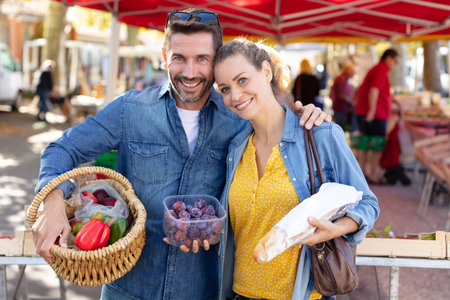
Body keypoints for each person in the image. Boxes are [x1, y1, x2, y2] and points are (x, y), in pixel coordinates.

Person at [31, 8, 331, 300]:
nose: (190, 72)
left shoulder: (239, 119)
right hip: (129, 288)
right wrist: (53, 198)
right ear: (164, 58)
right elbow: (62, 148)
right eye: (179, 58)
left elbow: (277, 122)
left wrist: (308, 116)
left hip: (203, 289)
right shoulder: (130, 111)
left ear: (217, 62)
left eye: (202, 59)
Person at [213, 38, 379, 300]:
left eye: (242, 80)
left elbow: (367, 203)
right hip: (240, 293)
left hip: (302, 294)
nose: (234, 95)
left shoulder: (319, 134)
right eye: (224, 88)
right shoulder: (235, 148)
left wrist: (336, 229)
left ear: (266, 72)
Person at [354, 48, 399, 184]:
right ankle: (371, 175)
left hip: (368, 112)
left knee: (365, 144)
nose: (395, 64)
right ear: (388, 58)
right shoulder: (381, 70)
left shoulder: (377, 69)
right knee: (375, 146)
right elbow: (374, 90)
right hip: (374, 115)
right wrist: (372, 111)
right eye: (395, 61)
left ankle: (363, 174)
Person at [330, 63, 356, 131]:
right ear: (348, 71)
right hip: (339, 107)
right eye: (352, 72)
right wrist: (351, 102)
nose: (353, 74)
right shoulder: (341, 78)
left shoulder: (344, 79)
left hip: (342, 108)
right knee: (339, 128)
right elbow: (341, 95)